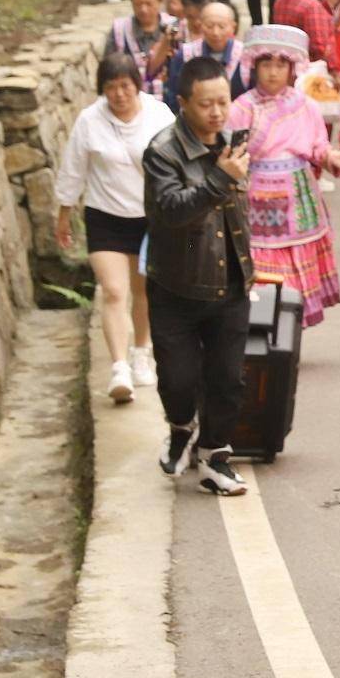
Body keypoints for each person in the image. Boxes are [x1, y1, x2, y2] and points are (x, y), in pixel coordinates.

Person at [142, 52, 255, 495]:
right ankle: (180, 426)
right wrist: (219, 180)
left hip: (230, 280)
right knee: (178, 378)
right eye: (206, 104)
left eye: (223, 102)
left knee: (228, 378)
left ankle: (215, 457)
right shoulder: (162, 152)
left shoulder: (233, 142)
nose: (216, 112)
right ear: (183, 103)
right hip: (178, 280)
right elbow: (173, 214)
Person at [54, 53, 175, 400]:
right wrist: (64, 213)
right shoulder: (89, 120)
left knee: (144, 292)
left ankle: (141, 353)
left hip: (150, 219)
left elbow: (179, 160)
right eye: (111, 87)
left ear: (136, 85)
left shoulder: (158, 115)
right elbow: (73, 167)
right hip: (104, 217)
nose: (119, 94)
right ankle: (119, 367)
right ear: (102, 90)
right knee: (114, 291)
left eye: (125, 86)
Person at [227, 25, 340, 326]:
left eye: (280, 65)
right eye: (266, 64)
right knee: (261, 269)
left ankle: (288, 338)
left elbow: (318, 148)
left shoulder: (306, 106)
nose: (273, 72)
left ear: (291, 68)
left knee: (294, 277)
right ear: (255, 66)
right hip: (257, 205)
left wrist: (335, 157)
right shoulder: (241, 109)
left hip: (297, 201)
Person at [105, 0, 180, 99]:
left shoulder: (174, 27)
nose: (143, 9)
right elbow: (109, 68)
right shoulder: (119, 29)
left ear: (160, 1)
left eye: (149, 4)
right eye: (138, 4)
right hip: (131, 99)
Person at [166, 0, 250, 100]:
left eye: (222, 27)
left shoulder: (245, 56)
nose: (215, 33)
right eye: (209, 26)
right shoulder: (185, 54)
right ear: (201, 26)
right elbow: (173, 94)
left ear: (233, 27)